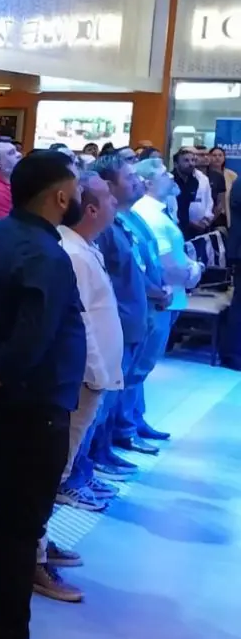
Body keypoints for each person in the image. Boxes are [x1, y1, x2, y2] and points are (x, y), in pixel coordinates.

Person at [0, 151, 86, 639]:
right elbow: (30, 339)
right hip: (32, 409)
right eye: (75, 188)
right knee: (18, 531)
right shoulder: (46, 254)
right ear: (60, 196)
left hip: (1, 405)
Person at [51, 171, 124, 527]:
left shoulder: (85, 247)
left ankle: (39, 542)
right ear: (92, 210)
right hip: (84, 378)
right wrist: (95, 374)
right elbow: (79, 321)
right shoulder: (73, 254)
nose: (115, 202)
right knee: (56, 466)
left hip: (93, 376)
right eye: (109, 198)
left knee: (65, 458)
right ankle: (36, 547)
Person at [86, 156, 158, 479]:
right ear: (109, 185)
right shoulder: (103, 229)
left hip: (131, 322)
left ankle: (103, 452)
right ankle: (88, 464)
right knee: (100, 403)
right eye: (129, 177)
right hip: (116, 323)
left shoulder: (123, 221)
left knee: (114, 398)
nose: (136, 182)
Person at [125, 159, 197, 447]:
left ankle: (136, 419)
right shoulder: (149, 214)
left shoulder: (158, 210)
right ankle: (126, 429)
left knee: (141, 369)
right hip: (159, 299)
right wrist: (194, 272)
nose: (171, 176)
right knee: (138, 369)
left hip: (168, 298)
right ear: (148, 182)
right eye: (164, 173)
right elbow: (163, 267)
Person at [172, 147, 212, 238]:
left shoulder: (194, 181)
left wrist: (204, 221)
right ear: (176, 164)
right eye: (186, 160)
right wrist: (191, 223)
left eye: (193, 160)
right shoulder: (170, 180)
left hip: (193, 230)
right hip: (174, 229)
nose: (191, 164)